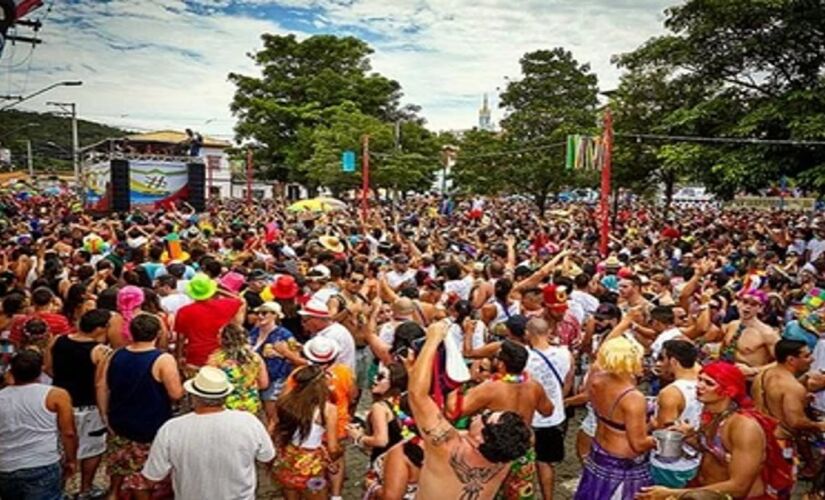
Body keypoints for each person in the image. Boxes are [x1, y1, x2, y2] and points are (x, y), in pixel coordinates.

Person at [409, 320, 532, 500]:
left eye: (487, 416)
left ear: (481, 437)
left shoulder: (446, 445)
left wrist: (433, 340)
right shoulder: (504, 457)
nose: (483, 412)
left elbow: (417, 395)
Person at [638, 361, 791, 499]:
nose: (699, 386)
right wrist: (688, 436)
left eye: (709, 383)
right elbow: (711, 449)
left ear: (728, 391)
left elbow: (739, 487)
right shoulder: (712, 414)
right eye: (700, 379)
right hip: (703, 491)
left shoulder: (744, 427)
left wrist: (672, 493)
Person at [142, 366, 275, 499]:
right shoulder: (248, 422)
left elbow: (152, 476)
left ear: (193, 396)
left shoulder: (172, 429)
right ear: (226, 395)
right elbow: (267, 456)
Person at [98, 313, 184, 499]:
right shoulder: (162, 359)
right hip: (149, 425)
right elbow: (175, 393)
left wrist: (105, 416)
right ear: (158, 333)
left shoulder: (115, 354)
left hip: (119, 420)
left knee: (118, 463)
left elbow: (102, 386)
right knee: (143, 474)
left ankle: (113, 493)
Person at [574, 336, 655, 500]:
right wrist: (660, 438)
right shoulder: (633, 398)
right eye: (640, 358)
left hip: (599, 450)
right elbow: (638, 444)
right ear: (628, 361)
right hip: (623, 463)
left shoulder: (597, 380)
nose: (643, 363)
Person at [46, 309, 112, 499]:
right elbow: (100, 385)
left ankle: (60, 488)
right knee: (92, 449)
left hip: (60, 404)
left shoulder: (57, 340)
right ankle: (85, 489)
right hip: (88, 406)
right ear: (100, 328)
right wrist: (104, 413)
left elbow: (48, 368)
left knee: (61, 448)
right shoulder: (101, 351)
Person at [0, 350, 77, 500]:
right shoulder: (56, 395)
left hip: (6, 465)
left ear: (12, 371)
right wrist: (71, 460)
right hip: (42, 461)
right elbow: (68, 433)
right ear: (40, 370)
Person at [751, 339, 825, 480]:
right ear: (791, 360)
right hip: (779, 444)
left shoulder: (762, 375)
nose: (812, 359)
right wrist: (819, 425)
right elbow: (795, 422)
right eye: (807, 356)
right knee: (781, 484)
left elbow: (774, 399)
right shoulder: (793, 388)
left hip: (759, 436)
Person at [273, 365, 341, 500]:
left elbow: (275, 428)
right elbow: (333, 448)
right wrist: (338, 454)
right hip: (311, 464)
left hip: (287, 456)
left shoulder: (285, 401)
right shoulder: (327, 409)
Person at [525, 317, 573, 500]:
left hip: (530, 418)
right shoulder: (565, 353)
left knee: (523, 463)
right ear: (548, 333)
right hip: (555, 416)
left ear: (528, 334)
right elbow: (568, 383)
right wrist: (557, 401)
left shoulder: (525, 358)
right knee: (546, 463)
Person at [650, 340, 702, 488]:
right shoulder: (704, 382)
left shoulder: (671, 393)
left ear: (673, 361)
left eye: (663, 358)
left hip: (670, 468)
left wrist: (652, 424)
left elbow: (665, 435)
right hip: (696, 460)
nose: (660, 363)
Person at [249, 301, 304, 432]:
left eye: (264, 313)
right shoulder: (255, 331)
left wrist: (285, 353)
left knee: (272, 417)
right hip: (255, 379)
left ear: (275, 315)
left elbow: (298, 360)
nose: (260, 316)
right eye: (258, 313)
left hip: (275, 380)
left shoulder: (285, 335)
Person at [174, 273, 245, 376]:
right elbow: (241, 300)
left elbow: (180, 338)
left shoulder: (184, 311)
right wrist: (218, 290)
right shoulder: (226, 305)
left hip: (196, 357)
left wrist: (179, 357)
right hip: (221, 355)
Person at [207, 323, 269, 414]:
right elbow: (264, 384)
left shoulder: (217, 360)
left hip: (226, 406)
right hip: (251, 406)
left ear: (224, 339)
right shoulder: (255, 358)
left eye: (219, 334)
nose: (217, 336)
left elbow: (210, 386)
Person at [719, 290, 780, 378]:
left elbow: (783, 362)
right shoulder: (732, 325)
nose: (747, 307)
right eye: (745, 302)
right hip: (726, 374)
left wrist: (753, 370)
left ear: (760, 308)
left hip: (749, 381)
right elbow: (723, 350)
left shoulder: (767, 333)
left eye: (753, 304)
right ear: (738, 303)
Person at [299, 297, 356, 373]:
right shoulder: (330, 330)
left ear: (316, 320)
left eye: (305, 321)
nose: (302, 324)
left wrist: (289, 355)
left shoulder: (331, 336)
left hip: (337, 379)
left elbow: (319, 365)